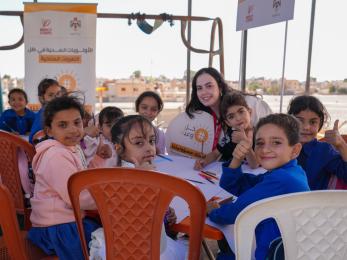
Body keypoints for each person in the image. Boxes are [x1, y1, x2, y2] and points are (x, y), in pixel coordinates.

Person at [206, 114, 310, 260]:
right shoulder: (290, 172)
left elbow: (237, 213)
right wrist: (237, 159)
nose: (265, 149)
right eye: (260, 143)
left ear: (295, 150)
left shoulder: (282, 179)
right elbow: (235, 186)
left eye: (276, 142)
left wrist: (212, 211)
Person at [89, 115, 186, 259]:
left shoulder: (146, 171)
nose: (149, 148)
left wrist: (165, 213)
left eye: (152, 141)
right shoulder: (117, 178)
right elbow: (127, 216)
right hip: (140, 249)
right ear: (119, 149)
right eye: (139, 143)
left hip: (133, 246)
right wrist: (143, 183)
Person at [28, 96, 100, 259]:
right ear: (49, 131)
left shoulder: (70, 147)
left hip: (66, 219)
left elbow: (83, 177)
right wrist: (109, 199)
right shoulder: (56, 156)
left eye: (77, 122)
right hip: (57, 227)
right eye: (63, 125)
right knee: (105, 240)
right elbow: (77, 197)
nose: (73, 130)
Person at [185, 67, 272, 151]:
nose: (204, 92)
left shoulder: (252, 104)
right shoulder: (201, 115)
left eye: (209, 86)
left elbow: (273, 135)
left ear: (220, 87)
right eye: (199, 88)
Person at [288, 95, 347, 190]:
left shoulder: (324, 151)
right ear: (289, 121)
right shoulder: (282, 146)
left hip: (313, 203)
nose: (306, 127)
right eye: (299, 121)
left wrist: (341, 145)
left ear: (320, 124)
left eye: (313, 122)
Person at [194, 93, 258, 170]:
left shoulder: (259, 134)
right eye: (231, 116)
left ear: (250, 112)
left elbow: (254, 165)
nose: (238, 118)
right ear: (228, 122)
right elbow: (215, 153)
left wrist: (244, 141)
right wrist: (204, 161)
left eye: (241, 112)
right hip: (230, 175)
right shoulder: (230, 135)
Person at [29, 78, 62, 144]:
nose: (56, 97)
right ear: (42, 98)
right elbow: (36, 139)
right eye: (51, 95)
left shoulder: (57, 111)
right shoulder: (45, 114)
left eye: (58, 94)